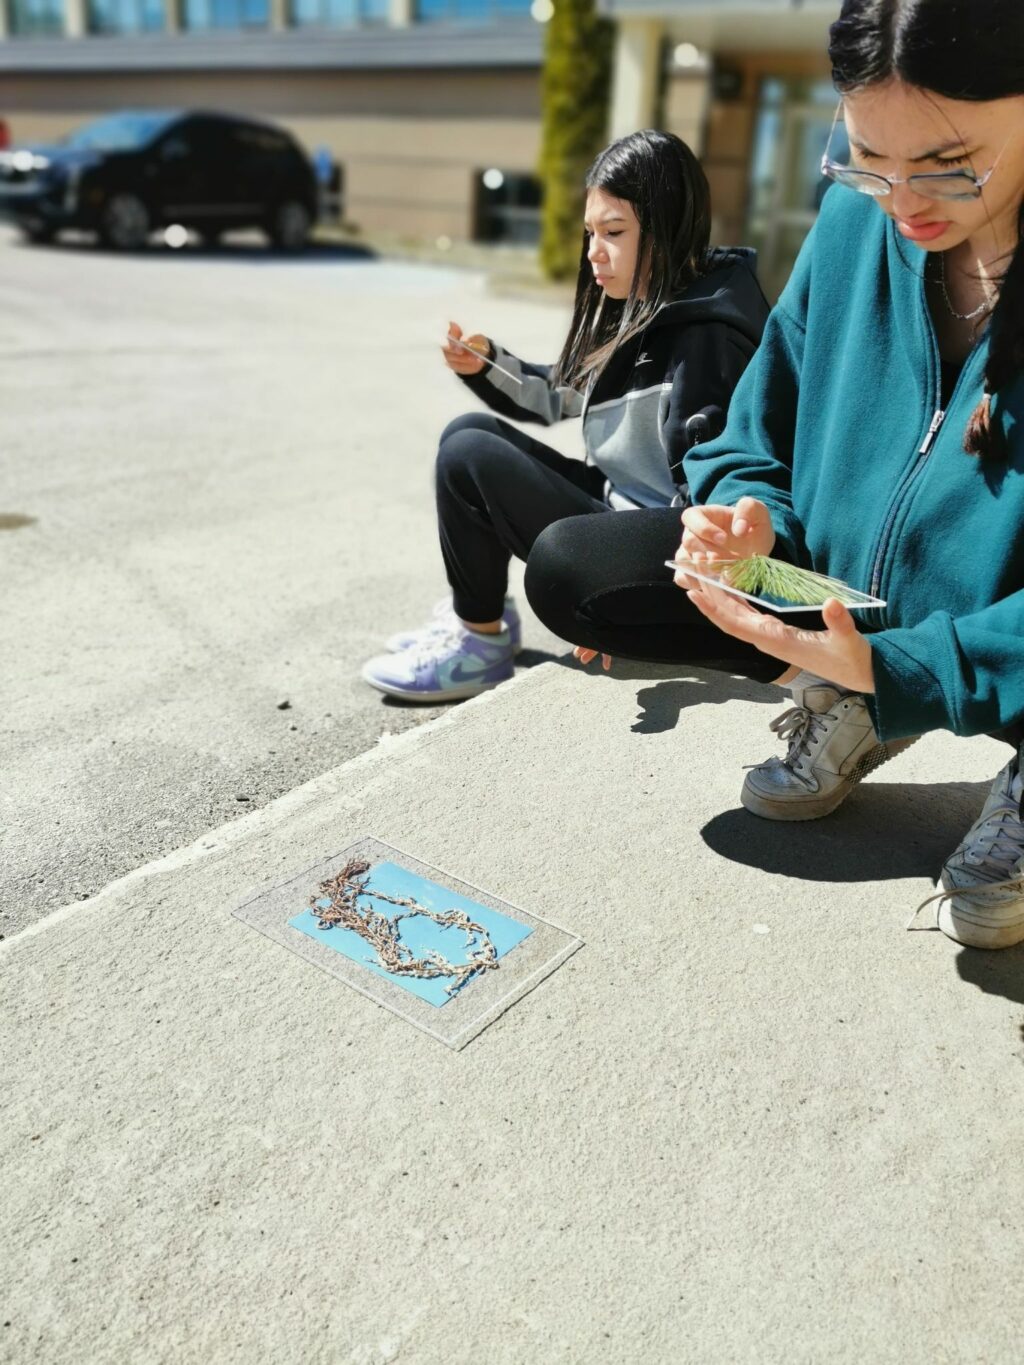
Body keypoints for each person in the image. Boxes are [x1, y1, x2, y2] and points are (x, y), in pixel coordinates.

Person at [659, 0, 1024, 951]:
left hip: (990, 638)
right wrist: (749, 516)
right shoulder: (855, 224)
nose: (903, 201)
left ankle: (913, 701)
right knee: (585, 570)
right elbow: (753, 422)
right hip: (847, 602)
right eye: (866, 158)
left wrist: (905, 665)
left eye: (948, 163)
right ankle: (862, 698)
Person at [361, 129, 770, 703]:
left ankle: (477, 648)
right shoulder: (636, 310)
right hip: (611, 510)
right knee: (469, 435)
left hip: (661, 550)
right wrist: (485, 364)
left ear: (669, 223)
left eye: (614, 232)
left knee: (469, 452)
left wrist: (617, 594)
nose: (594, 252)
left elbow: (712, 501)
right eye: (590, 234)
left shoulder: (709, 339)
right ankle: (476, 620)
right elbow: (556, 396)